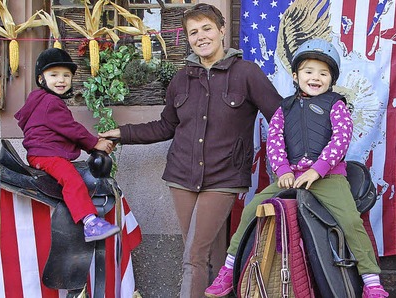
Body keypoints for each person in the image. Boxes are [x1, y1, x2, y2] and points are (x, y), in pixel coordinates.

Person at [98, 3, 283, 297]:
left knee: (193, 256)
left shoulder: (247, 73)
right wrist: (122, 133)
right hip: (181, 177)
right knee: (209, 255)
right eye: (193, 32)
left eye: (207, 28)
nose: (201, 37)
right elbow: (165, 126)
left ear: (222, 30)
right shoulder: (181, 79)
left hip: (224, 177)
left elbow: (280, 116)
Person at [204, 39, 389, 298]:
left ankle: (371, 280)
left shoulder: (336, 105)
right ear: (295, 75)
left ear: (331, 79)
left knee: (349, 220)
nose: (316, 78)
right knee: (251, 209)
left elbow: (341, 139)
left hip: (327, 178)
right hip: (291, 176)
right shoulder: (284, 109)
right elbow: (275, 140)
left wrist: (319, 169)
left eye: (323, 73)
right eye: (309, 71)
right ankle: (229, 268)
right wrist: (283, 171)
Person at [14, 48, 119, 242]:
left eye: (66, 75)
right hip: (46, 154)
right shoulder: (50, 102)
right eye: (54, 75)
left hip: (41, 153)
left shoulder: (39, 100)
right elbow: (71, 129)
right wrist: (95, 143)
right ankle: (90, 222)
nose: (61, 80)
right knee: (72, 179)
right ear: (41, 79)